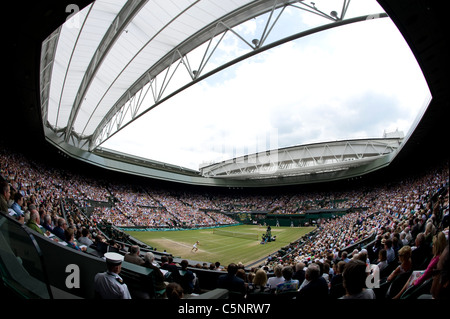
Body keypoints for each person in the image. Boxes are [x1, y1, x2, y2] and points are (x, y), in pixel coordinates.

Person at [393, 231, 447, 299]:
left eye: (434, 244)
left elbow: (427, 273)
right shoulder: (434, 252)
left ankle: (399, 295)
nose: (432, 246)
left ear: (437, 246)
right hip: (427, 275)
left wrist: (416, 282)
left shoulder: (436, 259)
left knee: (412, 277)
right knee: (413, 274)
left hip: (427, 280)